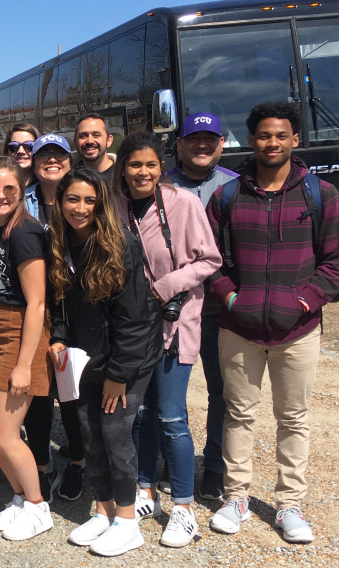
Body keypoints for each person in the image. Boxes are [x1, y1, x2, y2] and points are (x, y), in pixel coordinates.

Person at [206, 102, 339, 543]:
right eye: (264, 135)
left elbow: (337, 263)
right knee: (239, 415)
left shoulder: (321, 195)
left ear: (295, 140)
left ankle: (289, 505)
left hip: (298, 331)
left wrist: (303, 302)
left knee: (294, 418)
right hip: (239, 328)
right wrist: (232, 297)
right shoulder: (227, 196)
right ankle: (236, 498)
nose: (273, 143)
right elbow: (208, 260)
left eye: (281, 135)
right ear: (251, 140)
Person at [112, 132, 221, 548]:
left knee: (172, 416)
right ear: (122, 167)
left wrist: (165, 286)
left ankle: (184, 506)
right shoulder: (115, 206)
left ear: (162, 167)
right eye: (134, 165)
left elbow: (210, 259)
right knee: (140, 412)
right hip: (132, 328)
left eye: (150, 165)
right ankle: (145, 490)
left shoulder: (183, 203)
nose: (142, 172)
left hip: (173, 326)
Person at [47, 168, 163, 557]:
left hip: (128, 356)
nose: (80, 208)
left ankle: (127, 522)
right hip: (85, 356)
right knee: (87, 429)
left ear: (100, 204)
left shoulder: (119, 244)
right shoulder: (59, 243)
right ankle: (103, 510)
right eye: (72, 199)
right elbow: (59, 300)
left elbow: (134, 318)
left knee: (114, 431)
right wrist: (60, 335)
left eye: (89, 200)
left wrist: (118, 375)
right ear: (60, 202)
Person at [0, 156, 54, 541]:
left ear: (22, 191)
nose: (0, 195)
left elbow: (37, 303)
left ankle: (39, 507)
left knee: (5, 434)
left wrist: (24, 365)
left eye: (9, 188)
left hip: (22, 331)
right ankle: (21, 498)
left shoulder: (26, 233)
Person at [165, 112, 238, 501]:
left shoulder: (235, 186)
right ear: (179, 144)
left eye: (210, 139)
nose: (202, 145)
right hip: (170, 312)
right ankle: (170, 461)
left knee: (221, 394)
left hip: (219, 311)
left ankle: (214, 467)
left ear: (221, 144)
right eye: (194, 138)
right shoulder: (160, 185)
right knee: (166, 396)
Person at [20, 133, 85, 505]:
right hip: (34, 306)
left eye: (59, 155)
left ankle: (77, 462)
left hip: (74, 308)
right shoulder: (22, 199)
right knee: (39, 394)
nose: (51, 161)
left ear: (68, 160)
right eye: (44, 154)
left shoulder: (79, 198)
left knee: (72, 395)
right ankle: (42, 467)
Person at [73, 113, 115, 179]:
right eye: (83, 136)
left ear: (109, 140)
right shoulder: (70, 180)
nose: (90, 141)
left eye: (96, 135)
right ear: (75, 142)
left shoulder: (125, 175)